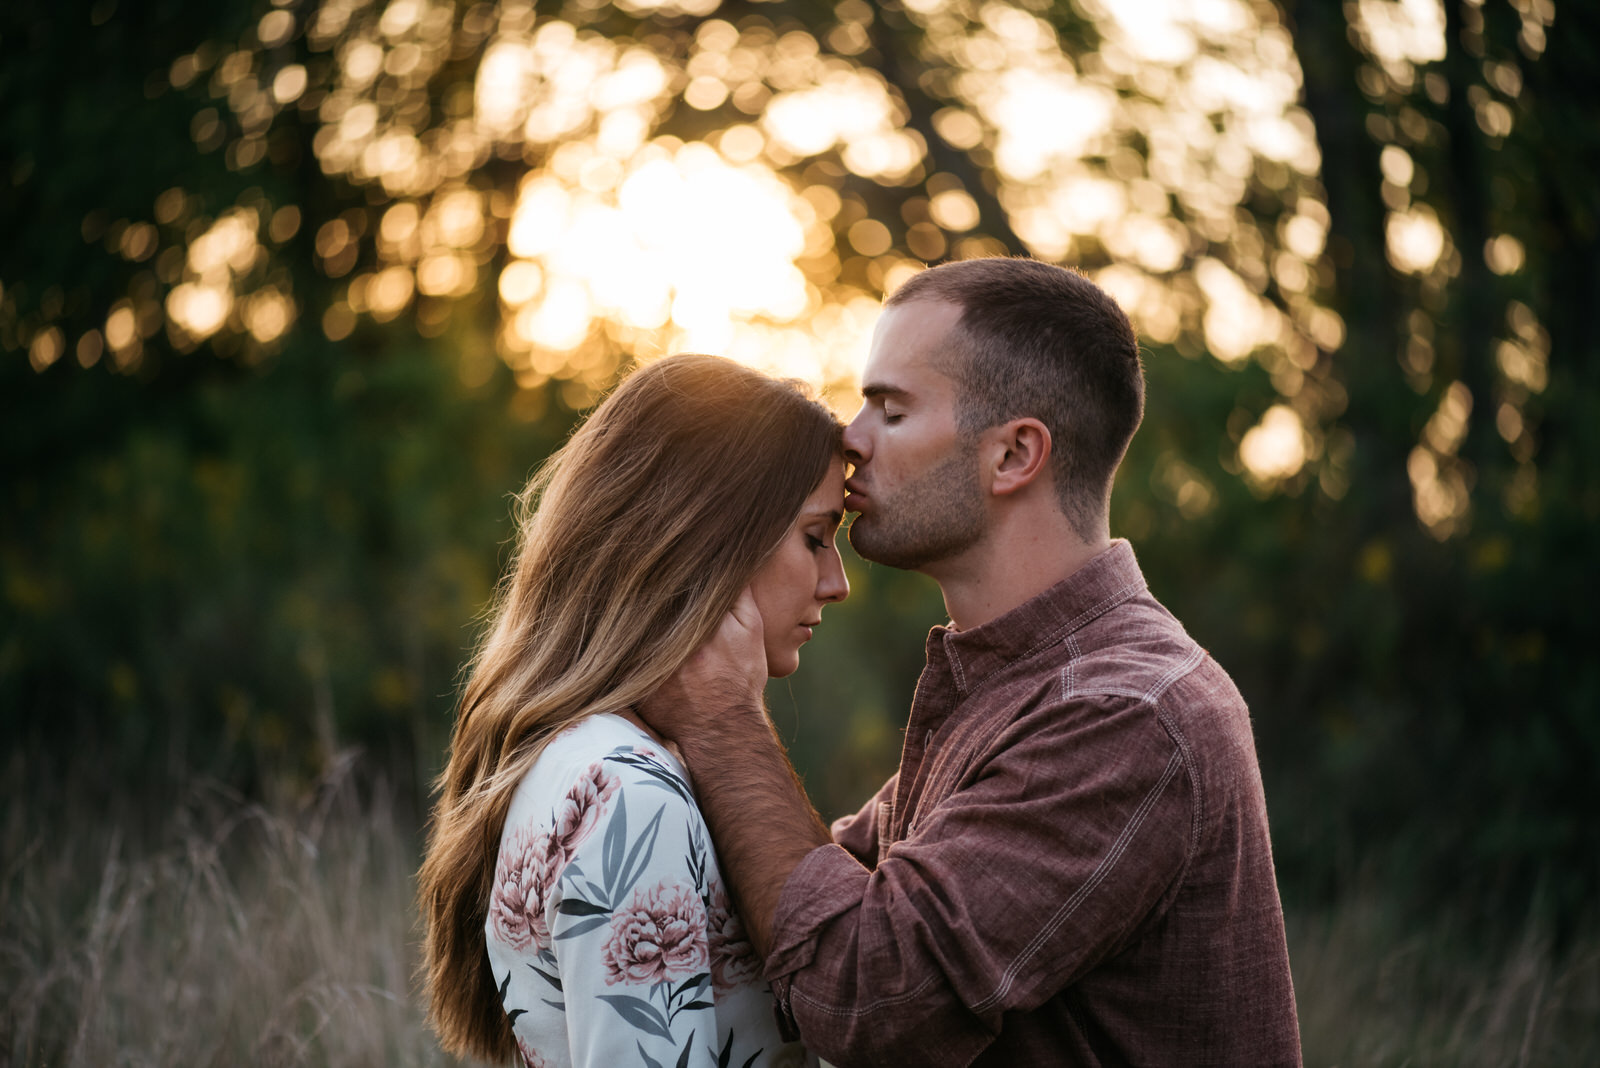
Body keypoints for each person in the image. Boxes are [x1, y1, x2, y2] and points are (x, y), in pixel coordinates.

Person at [641, 258, 1303, 1066]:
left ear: (1013, 456)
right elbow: (807, 905)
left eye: (890, 407)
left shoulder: (1127, 714)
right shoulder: (1014, 686)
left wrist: (721, 718)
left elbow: (863, 994)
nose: (849, 437)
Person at [418, 354, 848, 1068]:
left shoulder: (583, 757)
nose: (836, 583)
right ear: (711, 539)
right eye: (815, 536)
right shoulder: (631, 797)